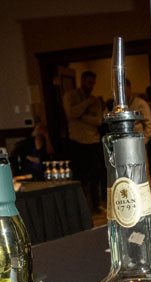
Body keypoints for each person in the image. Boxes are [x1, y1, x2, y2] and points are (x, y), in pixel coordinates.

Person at [62, 71, 104, 213]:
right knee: (80, 177)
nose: (91, 86)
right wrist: (86, 104)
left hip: (93, 141)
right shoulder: (70, 96)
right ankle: (80, 206)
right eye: (89, 82)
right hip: (77, 143)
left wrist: (81, 117)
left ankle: (95, 205)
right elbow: (71, 113)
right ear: (82, 81)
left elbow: (99, 120)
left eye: (93, 83)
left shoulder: (95, 100)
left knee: (95, 176)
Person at [124, 78, 151, 144]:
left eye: (124, 89)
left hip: (139, 141)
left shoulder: (140, 103)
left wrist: (144, 141)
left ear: (129, 88)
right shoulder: (121, 106)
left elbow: (149, 125)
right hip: (126, 141)